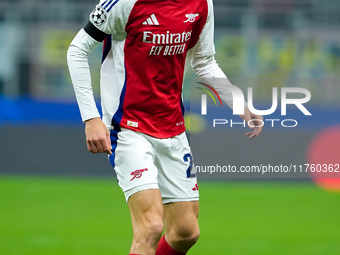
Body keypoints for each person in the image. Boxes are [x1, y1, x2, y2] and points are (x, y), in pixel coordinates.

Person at [67, 0, 263, 254]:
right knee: (150, 227)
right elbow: (77, 50)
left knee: (186, 232)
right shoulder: (124, 4)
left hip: (173, 129)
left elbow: (204, 61)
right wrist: (91, 118)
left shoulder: (202, 4)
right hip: (128, 128)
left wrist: (238, 102)